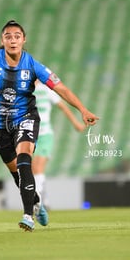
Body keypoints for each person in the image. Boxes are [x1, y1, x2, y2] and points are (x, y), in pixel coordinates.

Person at [0, 20, 99, 231]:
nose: (13, 40)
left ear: (23, 39)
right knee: (16, 174)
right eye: (8, 36)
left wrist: (83, 110)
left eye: (17, 36)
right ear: (2, 40)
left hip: (25, 117)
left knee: (24, 160)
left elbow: (61, 88)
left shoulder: (32, 65)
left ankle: (28, 215)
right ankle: (36, 201)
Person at [32, 79, 86, 208]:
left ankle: (40, 202)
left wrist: (75, 123)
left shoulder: (46, 90)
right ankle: (44, 201)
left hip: (45, 134)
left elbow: (62, 106)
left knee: (38, 167)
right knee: (35, 169)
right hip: (31, 134)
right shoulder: (25, 90)